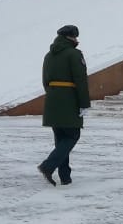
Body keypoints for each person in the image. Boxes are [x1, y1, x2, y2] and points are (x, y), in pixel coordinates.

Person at [38, 23, 90, 186]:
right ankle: (48, 165)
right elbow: (80, 80)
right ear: (69, 37)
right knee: (73, 135)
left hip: (53, 98)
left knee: (61, 139)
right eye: (75, 36)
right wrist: (84, 103)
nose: (76, 39)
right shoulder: (74, 54)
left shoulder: (48, 55)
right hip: (69, 99)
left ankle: (65, 177)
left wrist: (53, 94)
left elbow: (45, 80)